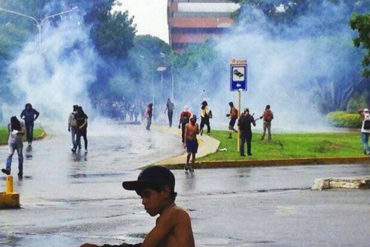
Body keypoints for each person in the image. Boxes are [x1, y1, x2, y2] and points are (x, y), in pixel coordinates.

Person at [80, 166, 195, 247]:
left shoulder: (175, 214)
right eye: (141, 196)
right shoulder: (166, 217)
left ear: (165, 192)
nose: (143, 202)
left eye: (147, 195)